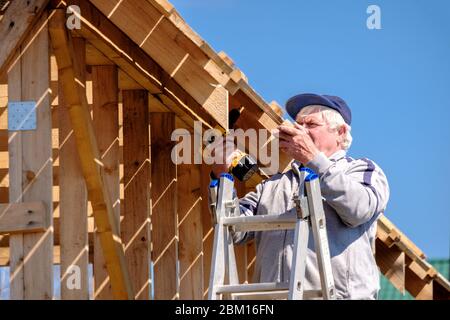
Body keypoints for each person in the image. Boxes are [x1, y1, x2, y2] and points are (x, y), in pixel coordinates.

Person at [211, 93, 390, 299]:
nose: (300, 131)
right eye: (298, 124)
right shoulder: (273, 185)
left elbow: (359, 208)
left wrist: (314, 159)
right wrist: (221, 177)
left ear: (340, 133)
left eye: (311, 124)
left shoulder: (361, 171)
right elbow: (233, 230)